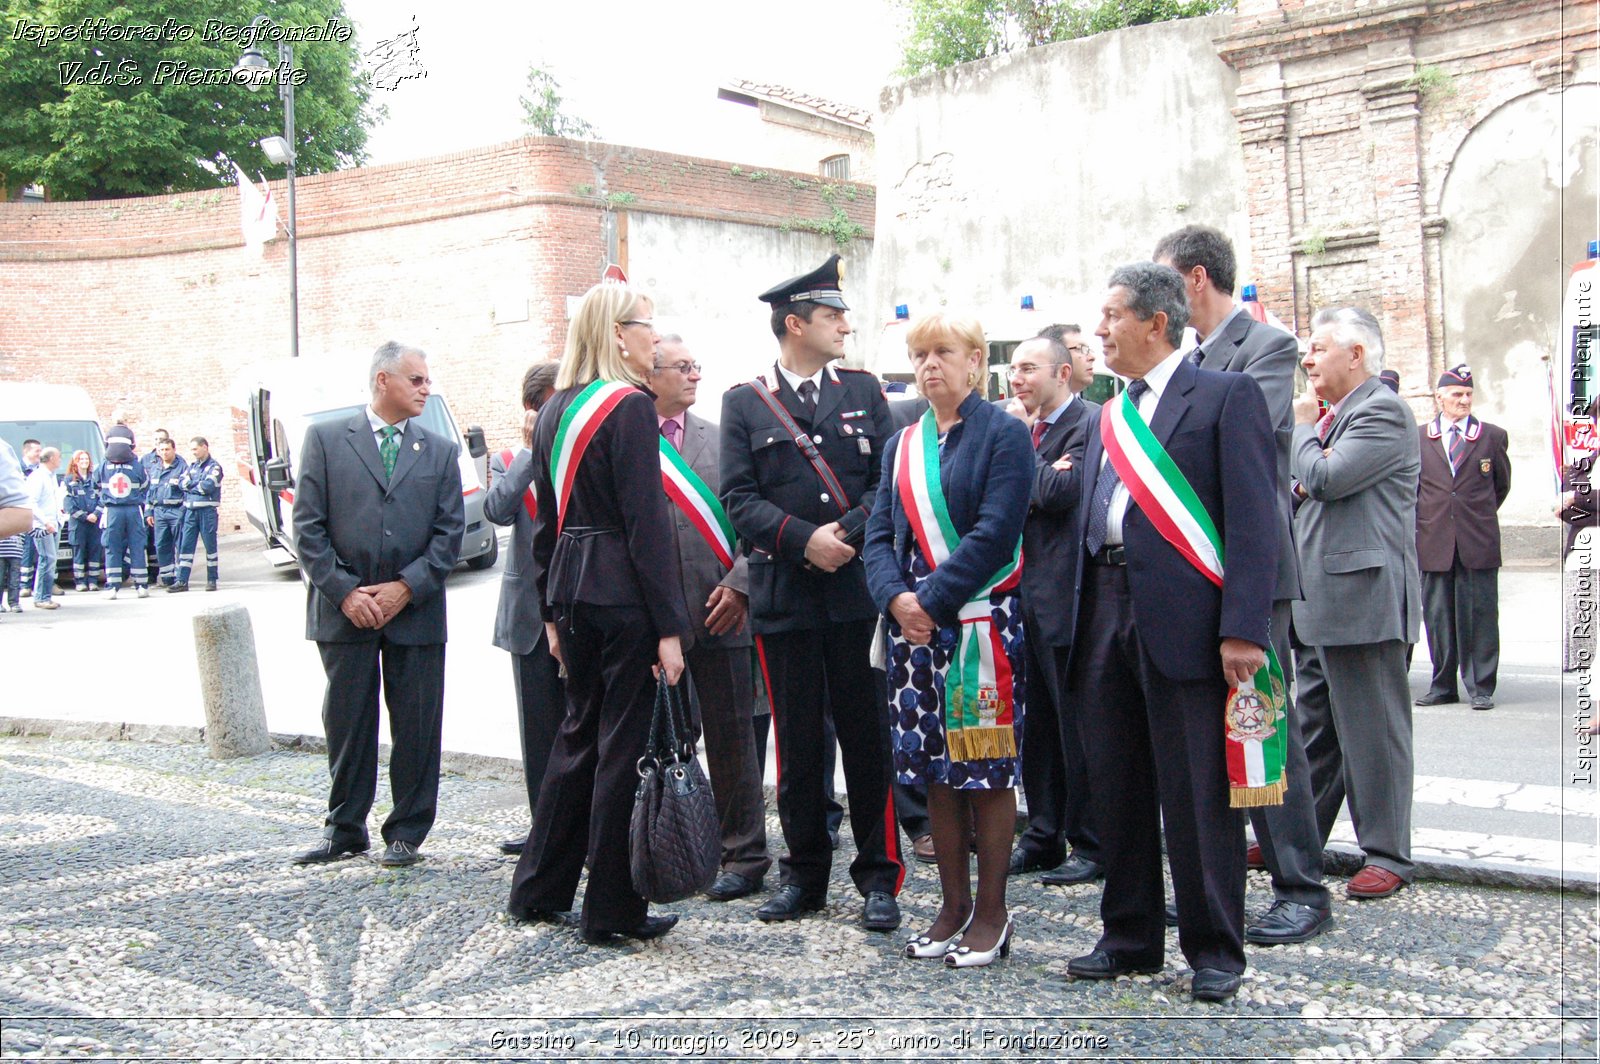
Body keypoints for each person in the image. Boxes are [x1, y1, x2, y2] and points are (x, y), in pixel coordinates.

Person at [1061, 263, 1277, 1004]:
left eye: (1112, 315)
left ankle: (1215, 948)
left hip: (1189, 618)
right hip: (1106, 610)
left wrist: (1244, 627)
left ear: (1157, 321)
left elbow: (1255, 519)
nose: (1100, 331)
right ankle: (1128, 937)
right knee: (1115, 784)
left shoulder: (1224, 396)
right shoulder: (1108, 413)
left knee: (1195, 791)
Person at [1154, 223, 1332, 944]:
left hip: (1247, 568)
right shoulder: (1176, 358)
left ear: (1195, 279)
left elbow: (1234, 441)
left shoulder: (1265, 346)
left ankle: (1301, 886)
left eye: (1164, 280)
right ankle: (1211, 883)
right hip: (1182, 575)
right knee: (1199, 737)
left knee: (1264, 727)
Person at [720, 254, 904, 932]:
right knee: (797, 745)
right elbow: (737, 497)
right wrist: (803, 540)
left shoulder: (862, 390)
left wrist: (844, 536)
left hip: (855, 592)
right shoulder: (745, 400)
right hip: (786, 597)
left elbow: (887, 482)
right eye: (832, 317)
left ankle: (880, 876)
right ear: (795, 323)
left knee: (867, 738)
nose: (845, 327)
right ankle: (804, 875)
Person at [506, 282, 691, 945]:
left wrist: (550, 609)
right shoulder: (631, 408)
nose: (654, 336)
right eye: (647, 324)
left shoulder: (554, 408)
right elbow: (646, 526)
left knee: (577, 740)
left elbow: (544, 520)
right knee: (622, 752)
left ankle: (538, 889)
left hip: (571, 594)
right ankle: (613, 909)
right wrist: (671, 628)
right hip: (624, 601)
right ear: (618, 333)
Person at [864, 312, 1033, 968]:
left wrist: (927, 601)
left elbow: (996, 530)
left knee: (984, 769)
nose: (929, 364)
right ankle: (951, 904)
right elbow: (881, 533)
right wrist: (896, 599)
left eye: (943, 352)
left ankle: (992, 910)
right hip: (914, 634)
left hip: (980, 627)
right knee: (934, 770)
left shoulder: (1003, 435)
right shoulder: (901, 444)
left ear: (974, 361)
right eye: (918, 353)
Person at [290, 342, 465, 868]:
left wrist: (405, 588)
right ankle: (345, 827)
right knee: (347, 721)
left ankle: (408, 830)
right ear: (382, 381)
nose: (425, 389)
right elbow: (307, 527)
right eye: (415, 380)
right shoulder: (324, 439)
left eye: (427, 379)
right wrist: (344, 591)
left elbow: (449, 534)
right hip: (346, 611)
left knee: (415, 723)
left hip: (414, 612)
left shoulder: (438, 450)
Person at [1291, 305, 1422, 901]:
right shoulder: (1338, 416)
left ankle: (1388, 853)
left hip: (1364, 598)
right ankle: (1301, 837)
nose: (1307, 359)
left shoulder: (1383, 411)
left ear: (1357, 354)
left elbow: (1325, 479)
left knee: (1373, 732)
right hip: (1321, 597)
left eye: (1318, 349)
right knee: (1318, 729)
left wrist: (1298, 429)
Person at [651, 334, 772, 902]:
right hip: (658, 619)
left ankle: (744, 855)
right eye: (682, 367)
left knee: (733, 740)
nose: (694, 375)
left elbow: (758, 519)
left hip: (724, 610)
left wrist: (742, 583)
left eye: (697, 364)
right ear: (649, 376)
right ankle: (670, 845)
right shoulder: (627, 440)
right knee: (665, 742)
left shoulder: (724, 440)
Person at [1002, 332, 1103, 886]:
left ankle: (1092, 841)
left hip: (1065, 598)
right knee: (1035, 729)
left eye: (1028, 368)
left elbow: (1059, 494)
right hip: (1017, 600)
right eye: (1013, 370)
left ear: (1062, 374)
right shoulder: (1025, 430)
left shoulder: (1089, 425)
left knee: (1076, 726)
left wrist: (1021, 450)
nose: (1017, 379)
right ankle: (1042, 835)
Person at [483, 360, 565, 857]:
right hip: (529, 619)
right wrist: (531, 453)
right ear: (534, 409)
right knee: (538, 733)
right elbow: (495, 510)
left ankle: (583, 823)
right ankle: (544, 830)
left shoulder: (581, 451)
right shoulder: (511, 457)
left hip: (576, 609)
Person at [1414, 365, 1512, 711]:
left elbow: (1500, 486)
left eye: (1468, 394)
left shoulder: (1491, 436)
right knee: (1438, 617)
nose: (1464, 400)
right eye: (1456, 394)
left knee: (1480, 615)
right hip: (1434, 540)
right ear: (1439, 397)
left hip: (1477, 540)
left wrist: (1473, 516)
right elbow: (1413, 490)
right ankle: (1442, 684)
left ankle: (1481, 685)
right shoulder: (1419, 437)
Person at [95, 426, 150, 599]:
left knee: (112, 548)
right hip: (134, 510)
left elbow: (95, 485)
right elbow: (145, 485)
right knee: (137, 547)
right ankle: (141, 585)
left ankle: (112, 586)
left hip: (112, 511)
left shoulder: (103, 466)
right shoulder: (136, 465)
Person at [171, 437, 224, 592]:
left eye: (195, 449)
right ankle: (182, 581)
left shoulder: (215, 467)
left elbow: (207, 487)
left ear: (204, 447)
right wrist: (193, 486)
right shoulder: (192, 467)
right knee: (185, 546)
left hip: (207, 513)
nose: (192, 452)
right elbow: (182, 483)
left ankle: (212, 580)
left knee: (210, 546)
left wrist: (190, 486)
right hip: (190, 512)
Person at [1560, 453, 1596, 673]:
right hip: (1582, 555)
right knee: (1586, 631)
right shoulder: (1580, 467)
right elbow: (1563, 510)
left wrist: (1577, 498)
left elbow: (1570, 501)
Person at [145, 437, 188, 588]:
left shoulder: (182, 468)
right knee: (161, 544)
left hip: (177, 511)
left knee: (180, 544)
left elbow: (186, 491)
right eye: (161, 450)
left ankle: (180, 577)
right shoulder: (155, 469)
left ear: (174, 450)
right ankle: (167, 578)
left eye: (167, 449)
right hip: (159, 512)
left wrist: (183, 511)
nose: (164, 452)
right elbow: (150, 493)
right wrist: (149, 512)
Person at [25, 447, 64, 609]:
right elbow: (31, 502)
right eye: (59, 457)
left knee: (51, 561)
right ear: (51, 459)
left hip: (54, 524)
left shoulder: (51, 477)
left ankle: (45, 595)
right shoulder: (38, 477)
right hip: (43, 526)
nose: (61, 460)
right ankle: (41, 597)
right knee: (46, 560)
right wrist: (45, 521)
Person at [64, 450, 103, 591]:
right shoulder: (69, 480)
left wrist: (96, 514)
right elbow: (68, 505)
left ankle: (93, 581)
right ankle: (80, 581)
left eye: (86, 459)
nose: (84, 462)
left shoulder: (95, 478)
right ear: (75, 461)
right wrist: (84, 516)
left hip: (94, 523)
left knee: (95, 550)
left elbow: (103, 499)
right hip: (78, 524)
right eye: (81, 459)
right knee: (79, 551)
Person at [18, 438, 40, 595]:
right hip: (23, 514)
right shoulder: (16, 469)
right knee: (27, 548)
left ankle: (41, 583)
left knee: (40, 550)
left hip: (39, 515)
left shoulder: (41, 470)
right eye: (37, 451)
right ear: (26, 452)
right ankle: (24, 584)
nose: (40, 454)